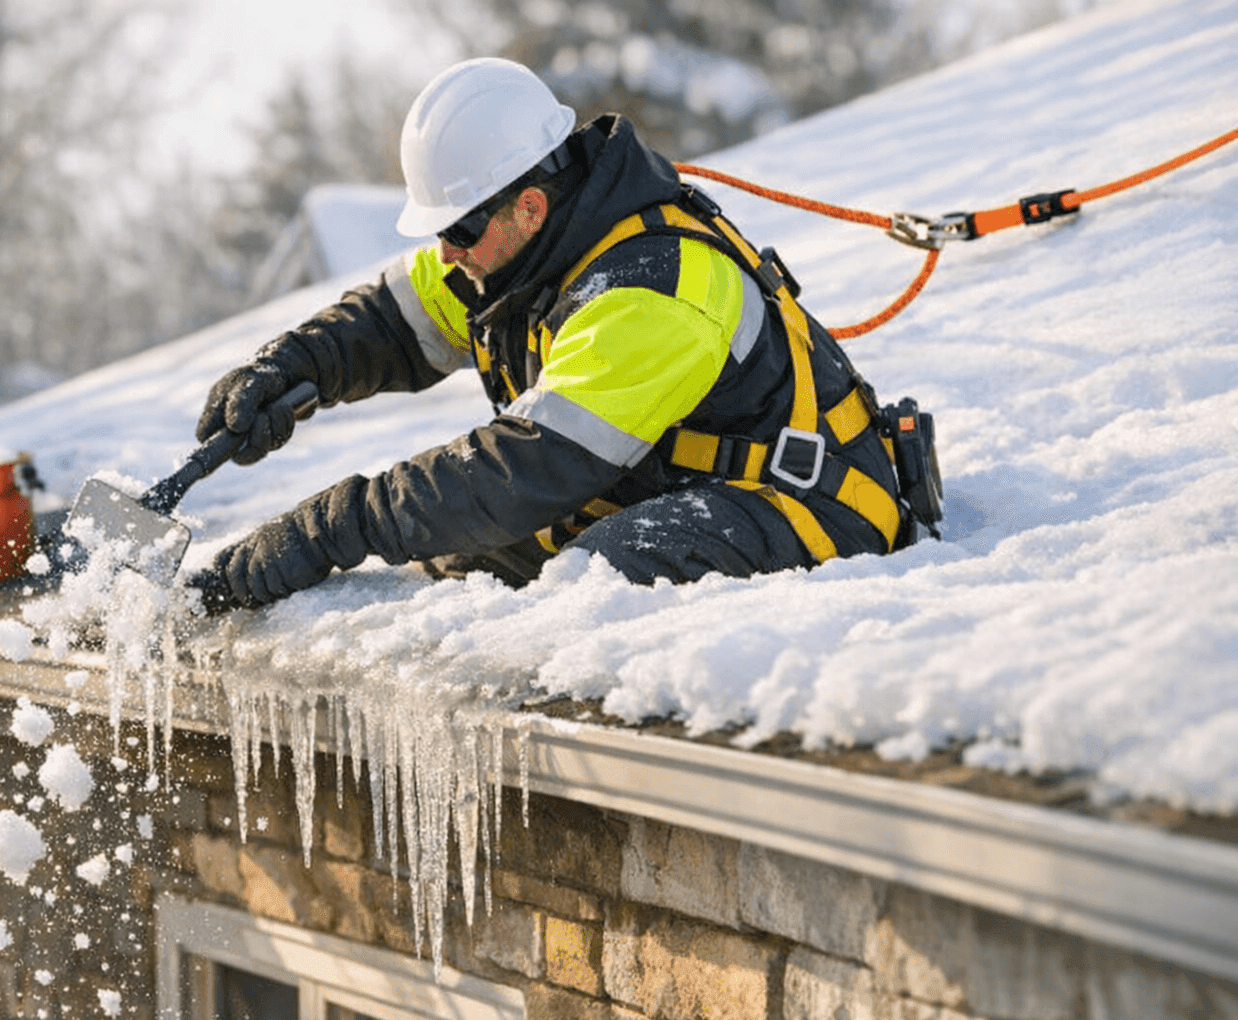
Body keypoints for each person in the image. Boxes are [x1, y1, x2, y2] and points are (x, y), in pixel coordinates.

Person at [189, 57, 918, 612]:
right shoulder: (508, 248)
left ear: (530, 207)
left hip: (807, 503)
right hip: (670, 477)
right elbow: (392, 323)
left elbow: (523, 473)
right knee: (462, 561)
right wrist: (289, 365)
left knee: (596, 581)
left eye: (459, 231)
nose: (446, 253)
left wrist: (331, 528)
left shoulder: (650, 289)